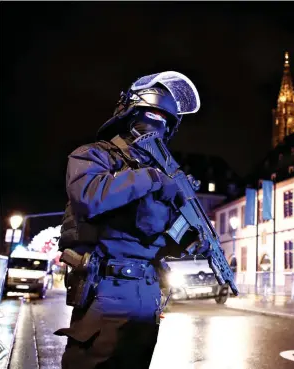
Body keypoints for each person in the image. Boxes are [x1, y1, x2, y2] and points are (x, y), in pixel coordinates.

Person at [54, 72, 202, 369]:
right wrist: (151, 178)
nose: (157, 123)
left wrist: (191, 236)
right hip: (106, 288)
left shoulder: (166, 182)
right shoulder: (94, 155)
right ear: (130, 112)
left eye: (165, 119)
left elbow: (165, 241)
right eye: (151, 113)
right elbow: (89, 197)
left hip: (148, 294)